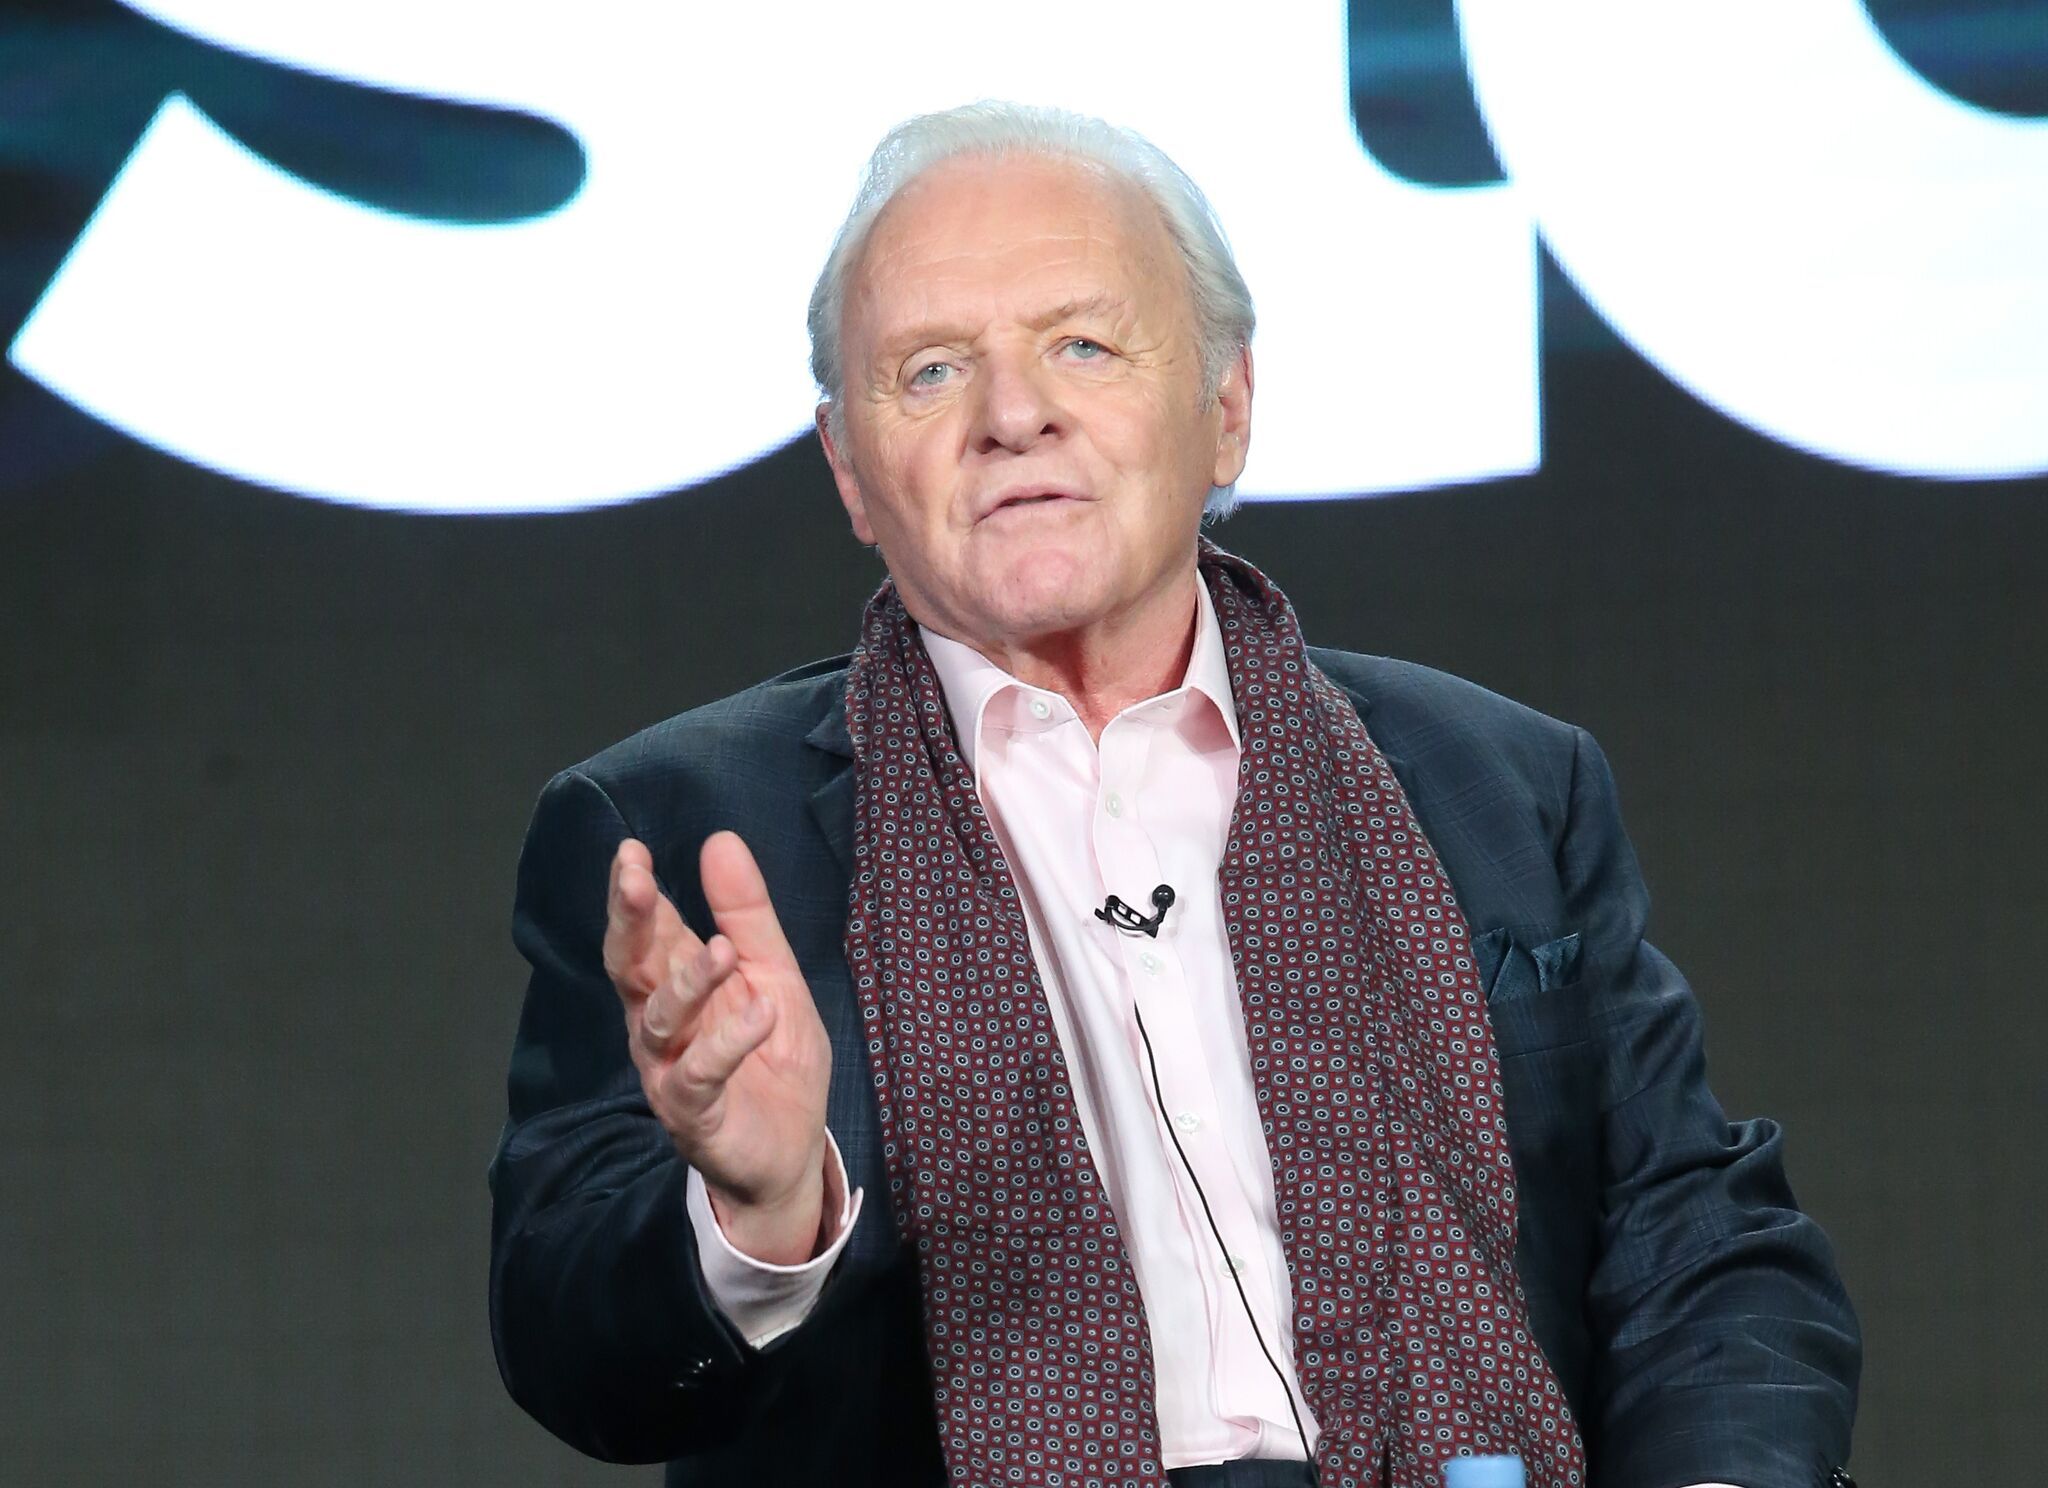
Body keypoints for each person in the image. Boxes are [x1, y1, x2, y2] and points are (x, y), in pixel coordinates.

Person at [488, 103, 1859, 1488]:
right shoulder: (679, 829)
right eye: (930, 370)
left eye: (1082, 344)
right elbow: (567, 1346)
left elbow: (1701, 1241)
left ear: (1228, 408)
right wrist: (763, 1214)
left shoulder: (1496, 780)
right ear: (850, 470)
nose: (1012, 415)